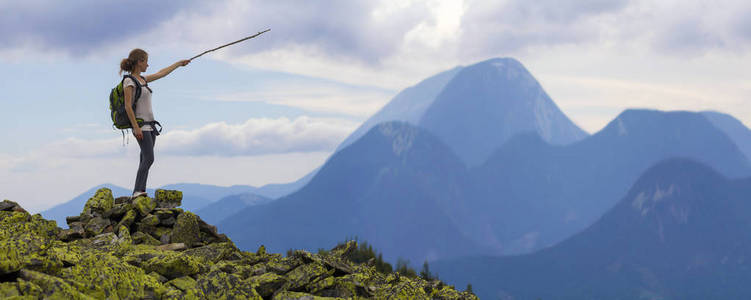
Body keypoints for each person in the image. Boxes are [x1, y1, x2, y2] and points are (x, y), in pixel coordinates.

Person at [119, 49, 190, 198]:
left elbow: (161, 73)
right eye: (145, 61)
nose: (148, 64)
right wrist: (136, 127)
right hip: (141, 126)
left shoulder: (143, 80)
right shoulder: (129, 81)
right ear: (139, 62)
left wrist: (178, 64)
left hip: (150, 126)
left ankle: (139, 191)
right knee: (149, 158)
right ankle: (138, 191)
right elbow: (127, 106)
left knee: (144, 158)